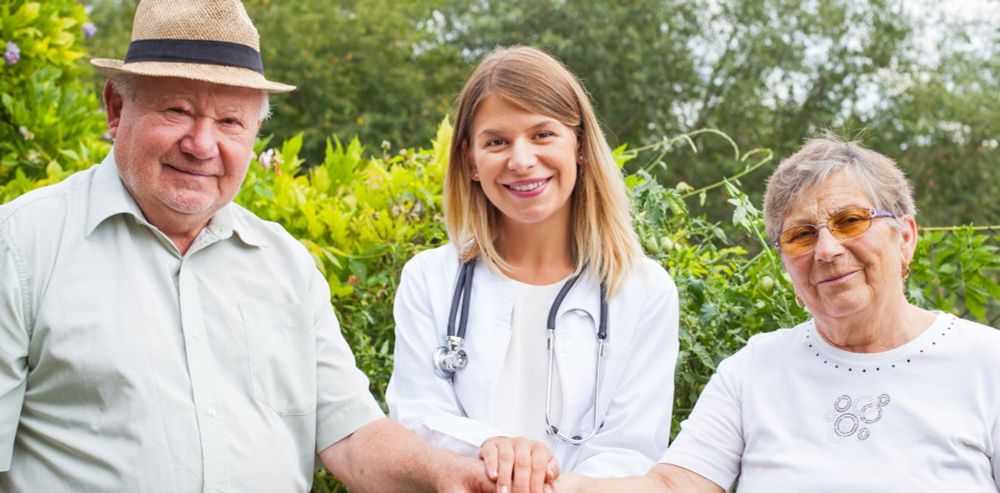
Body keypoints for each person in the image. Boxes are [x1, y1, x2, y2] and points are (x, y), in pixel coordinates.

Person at [0, 1, 495, 491]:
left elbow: (350, 434)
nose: (201, 144)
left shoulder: (285, 263)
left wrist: (445, 473)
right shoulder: (21, 246)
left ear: (256, 131)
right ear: (116, 106)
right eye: (177, 110)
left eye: (230, 122)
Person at [558, 135, 1000, 492]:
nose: (826, 250)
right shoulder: (754, 370)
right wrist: (553, 486)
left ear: (905, 237)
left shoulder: (986, 363)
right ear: (785, 264)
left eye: (850, 221)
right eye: (801, 236)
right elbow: (675, 486)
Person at [385, 46, 680, 493]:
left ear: (579, 145)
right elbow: (417, 419)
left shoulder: (643, 290)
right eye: (496, 141)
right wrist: (496, 448)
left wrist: (551, 486)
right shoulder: (429, 279)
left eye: (542, 134)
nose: (521, 160)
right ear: (470, 161)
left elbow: (632, 448)